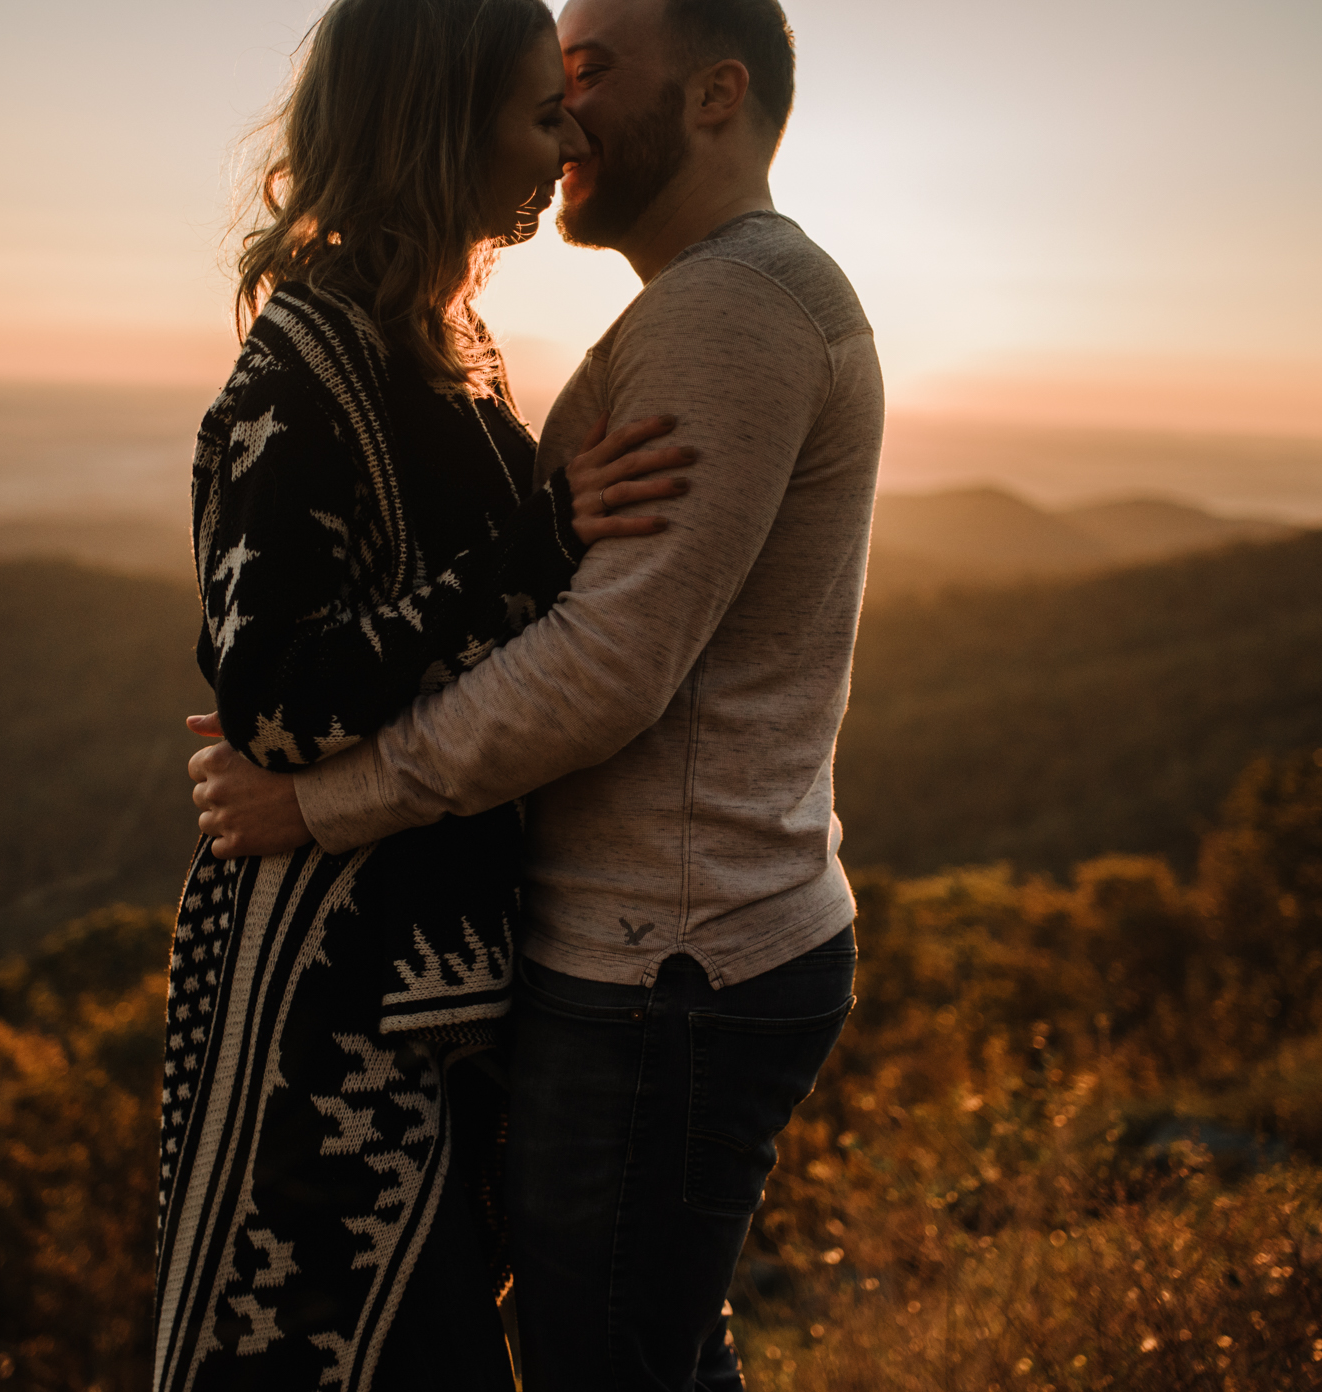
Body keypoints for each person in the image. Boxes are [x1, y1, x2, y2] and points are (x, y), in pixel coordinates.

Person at [189, 0, 885, 1386]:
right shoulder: (693, 305)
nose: (566, 118)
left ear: (713, 95)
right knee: (648, 1350)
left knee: (605, 1363)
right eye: (544, 91)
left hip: (664, 956)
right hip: (659, 942)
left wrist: (323, 802)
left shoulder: (731, 311)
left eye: (591, 75)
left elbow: (597, 669)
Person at [152, 2, 693, 1388]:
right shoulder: (300, 376)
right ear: (433, 131)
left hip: (418, 988)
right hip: (320, 1011)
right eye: (533, 111)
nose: (565, 134)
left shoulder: (441, 341)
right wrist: (539, 540)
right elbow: (274, 699)